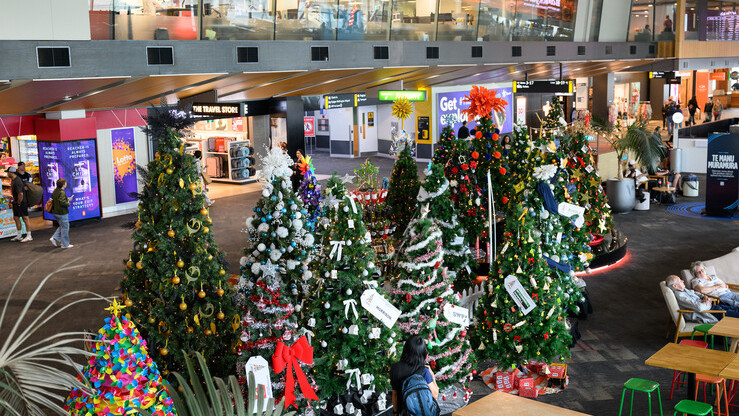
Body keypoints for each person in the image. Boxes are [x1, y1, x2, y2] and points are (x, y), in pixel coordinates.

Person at [391, 335, 439, 416]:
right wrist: (432, 375)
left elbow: (395, 394)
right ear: (423, 352)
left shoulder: (395, 368)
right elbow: (435, 395)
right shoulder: (424, 370)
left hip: (404, 411)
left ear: (405, 349)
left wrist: (395, 413)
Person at [6, 167, 32, 242]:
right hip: (16, 202)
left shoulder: (17, 181)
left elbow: (20, 194)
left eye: (8, 172)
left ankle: (29, 236)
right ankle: (19, 235)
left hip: (21, 202)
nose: (7, 173)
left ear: (11, 172)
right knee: (16, 218)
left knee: (25, 218)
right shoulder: (13, 180)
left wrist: (19, 203)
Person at [50, 178, 73, 248]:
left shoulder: (55, 191)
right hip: (62, 212)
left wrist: (66, 199)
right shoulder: (62, 192)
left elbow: (57, 200)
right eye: (65, 183)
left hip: (56, 212)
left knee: (62, 226)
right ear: (63, 184)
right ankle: (65, 244)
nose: (66, 184)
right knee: (65, 227)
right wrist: (68, 203)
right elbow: (62, 202)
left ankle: (54, 238)